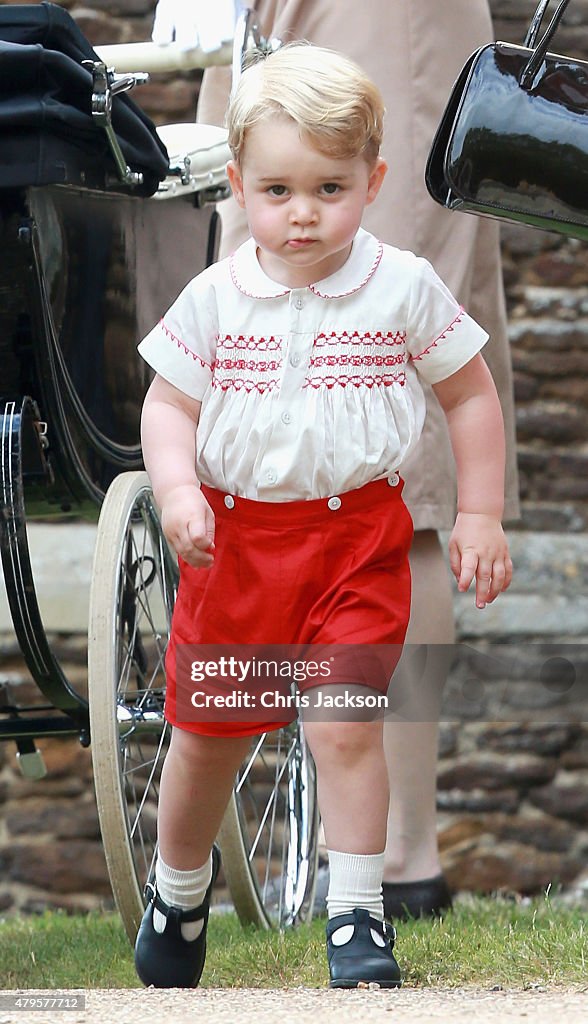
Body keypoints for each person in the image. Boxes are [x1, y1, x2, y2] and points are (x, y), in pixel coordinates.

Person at [134, 42, 512, 990]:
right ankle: (179, 893)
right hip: (238, 548)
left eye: (331, 188)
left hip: (356, 542)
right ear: (236, 186)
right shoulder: (217, 297)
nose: (303, 214)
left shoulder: (400, 287)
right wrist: (178, 489)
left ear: (373, 181)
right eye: (277, 190)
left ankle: (356, 913)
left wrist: (480, 515)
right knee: (207, 737)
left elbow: (469, 396)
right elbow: (166, 406)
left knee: (345, 722)